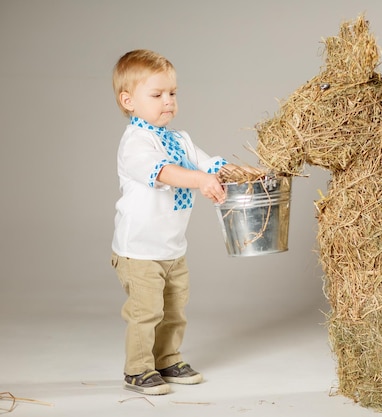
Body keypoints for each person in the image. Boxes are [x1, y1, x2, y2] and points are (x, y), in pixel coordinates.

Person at [110, 49, 236, 395]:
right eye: (156, 94)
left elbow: (207, 164)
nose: (168, 101)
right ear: (128, 100)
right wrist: (199, 180)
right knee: (146, 311)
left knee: (174, 309)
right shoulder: (136, 142)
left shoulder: (180, 138)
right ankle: (137, 368)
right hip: (139, 250)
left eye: (172, 93)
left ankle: (167, 358)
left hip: (172, 247)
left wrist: (238, 172)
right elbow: (165, 173)